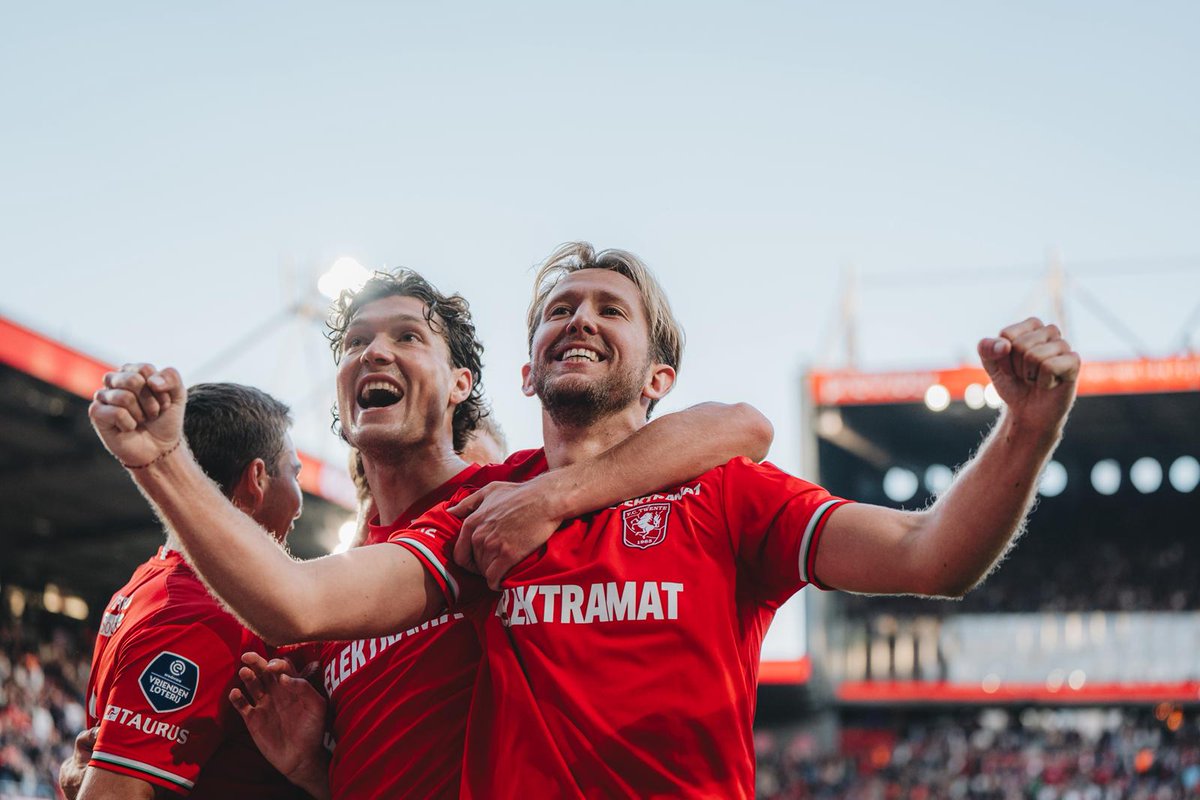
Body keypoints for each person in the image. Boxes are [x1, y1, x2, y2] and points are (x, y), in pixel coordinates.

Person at [91, 242, 1078, 796]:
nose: (582, 316)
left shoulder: (728, 492)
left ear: (658, 373)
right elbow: (300, 599)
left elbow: (929, 552)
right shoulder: (478, 514)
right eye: (561, 305)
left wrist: (1028, 427)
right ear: (525, 371)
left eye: (612, 307)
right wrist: (163, 461)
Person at [94, 267, 772, 799]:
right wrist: (307, 768)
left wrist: (558, 494)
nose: (374, 352)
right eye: (356, 341)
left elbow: (738, 426)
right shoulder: (351, 577)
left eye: (407, 337)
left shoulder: (509, 493)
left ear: (460, 384)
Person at [64, 383, 306, 800]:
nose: (300, 502)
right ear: (257, 479)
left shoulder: (150, 582)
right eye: (294, 473)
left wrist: (75, 777)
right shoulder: (201, 611)